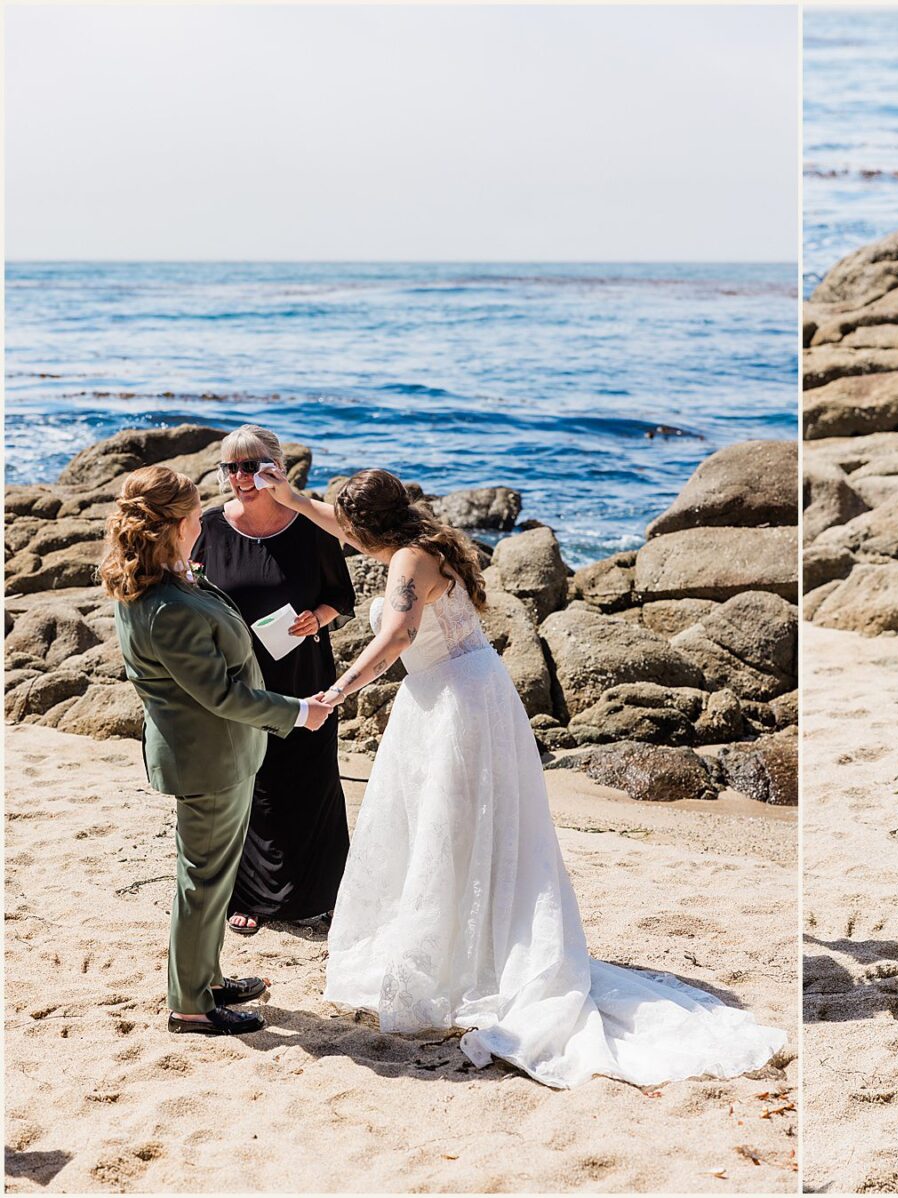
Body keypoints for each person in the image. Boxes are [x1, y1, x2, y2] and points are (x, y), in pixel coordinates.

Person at [251, 465, 786, 1087]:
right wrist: (290, 499)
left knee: (451, 829)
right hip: (458, 691)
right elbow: (346, 530)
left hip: (454, 703)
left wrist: (337, 691)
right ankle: (466, 949)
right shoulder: (418, 541)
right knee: (454, 828)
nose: (339, 530)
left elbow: (397, 634)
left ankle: (470, 962)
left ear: (368, 526)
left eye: (346, 522)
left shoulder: (408, 563)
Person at [103, 466, 334, 1036]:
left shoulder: (165, 581)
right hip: (207, 759)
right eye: (194, 514)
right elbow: (221, 695)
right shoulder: (167, 606)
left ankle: (204, 977)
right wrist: (298, 712)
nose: (202, 521)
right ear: (179, 525)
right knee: (204, 883)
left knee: (212, 878)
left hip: (220, 754)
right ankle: (189, 1003)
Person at [192, 426, 355, 936]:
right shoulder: (211, 526)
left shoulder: (310, 525)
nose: (241, 477)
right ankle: (254, 897)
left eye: (252, 465)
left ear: (277, 468)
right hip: (239, 676)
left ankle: (327, 893)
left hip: (303, 669)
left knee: (312, 777)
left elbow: (341, 596)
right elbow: (190, 591)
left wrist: (318, 617)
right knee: (253, 781)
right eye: (230, 468)